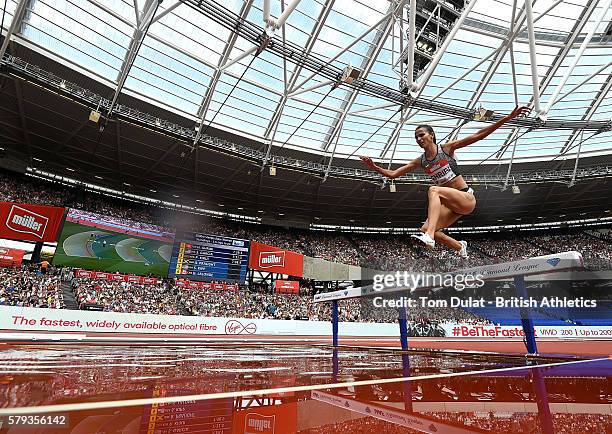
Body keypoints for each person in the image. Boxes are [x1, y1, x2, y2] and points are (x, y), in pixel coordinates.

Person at [360, 106, 531, 257]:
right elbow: (393, 175)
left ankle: (430, 237)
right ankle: (459, 245)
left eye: (422, 135)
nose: (419, 139)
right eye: (416, 137)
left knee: (434, 190)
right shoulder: (421, 161)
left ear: (431, 135)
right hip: (451, 206)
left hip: (465, 199)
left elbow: (479, 135)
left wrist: (508, 118)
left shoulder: (447, 149)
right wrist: (374, 166)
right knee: (425, 228)